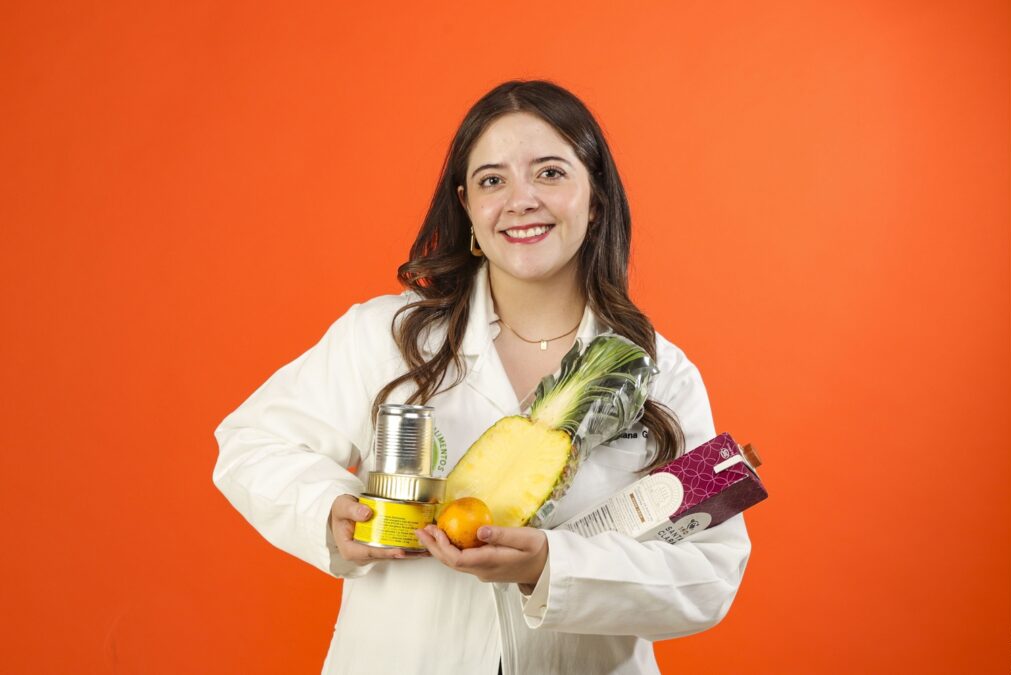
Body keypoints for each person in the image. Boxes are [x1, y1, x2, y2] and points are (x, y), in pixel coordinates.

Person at [213, 79, 751, 675]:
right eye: (493, 180)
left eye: (550, 173)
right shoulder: (385, 335)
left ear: (595, 198)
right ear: (467, 205)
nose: (521, 200)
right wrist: (327, 509)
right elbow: (251, 442)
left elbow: (712, 570)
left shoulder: (661, 372)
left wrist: (552, 566)